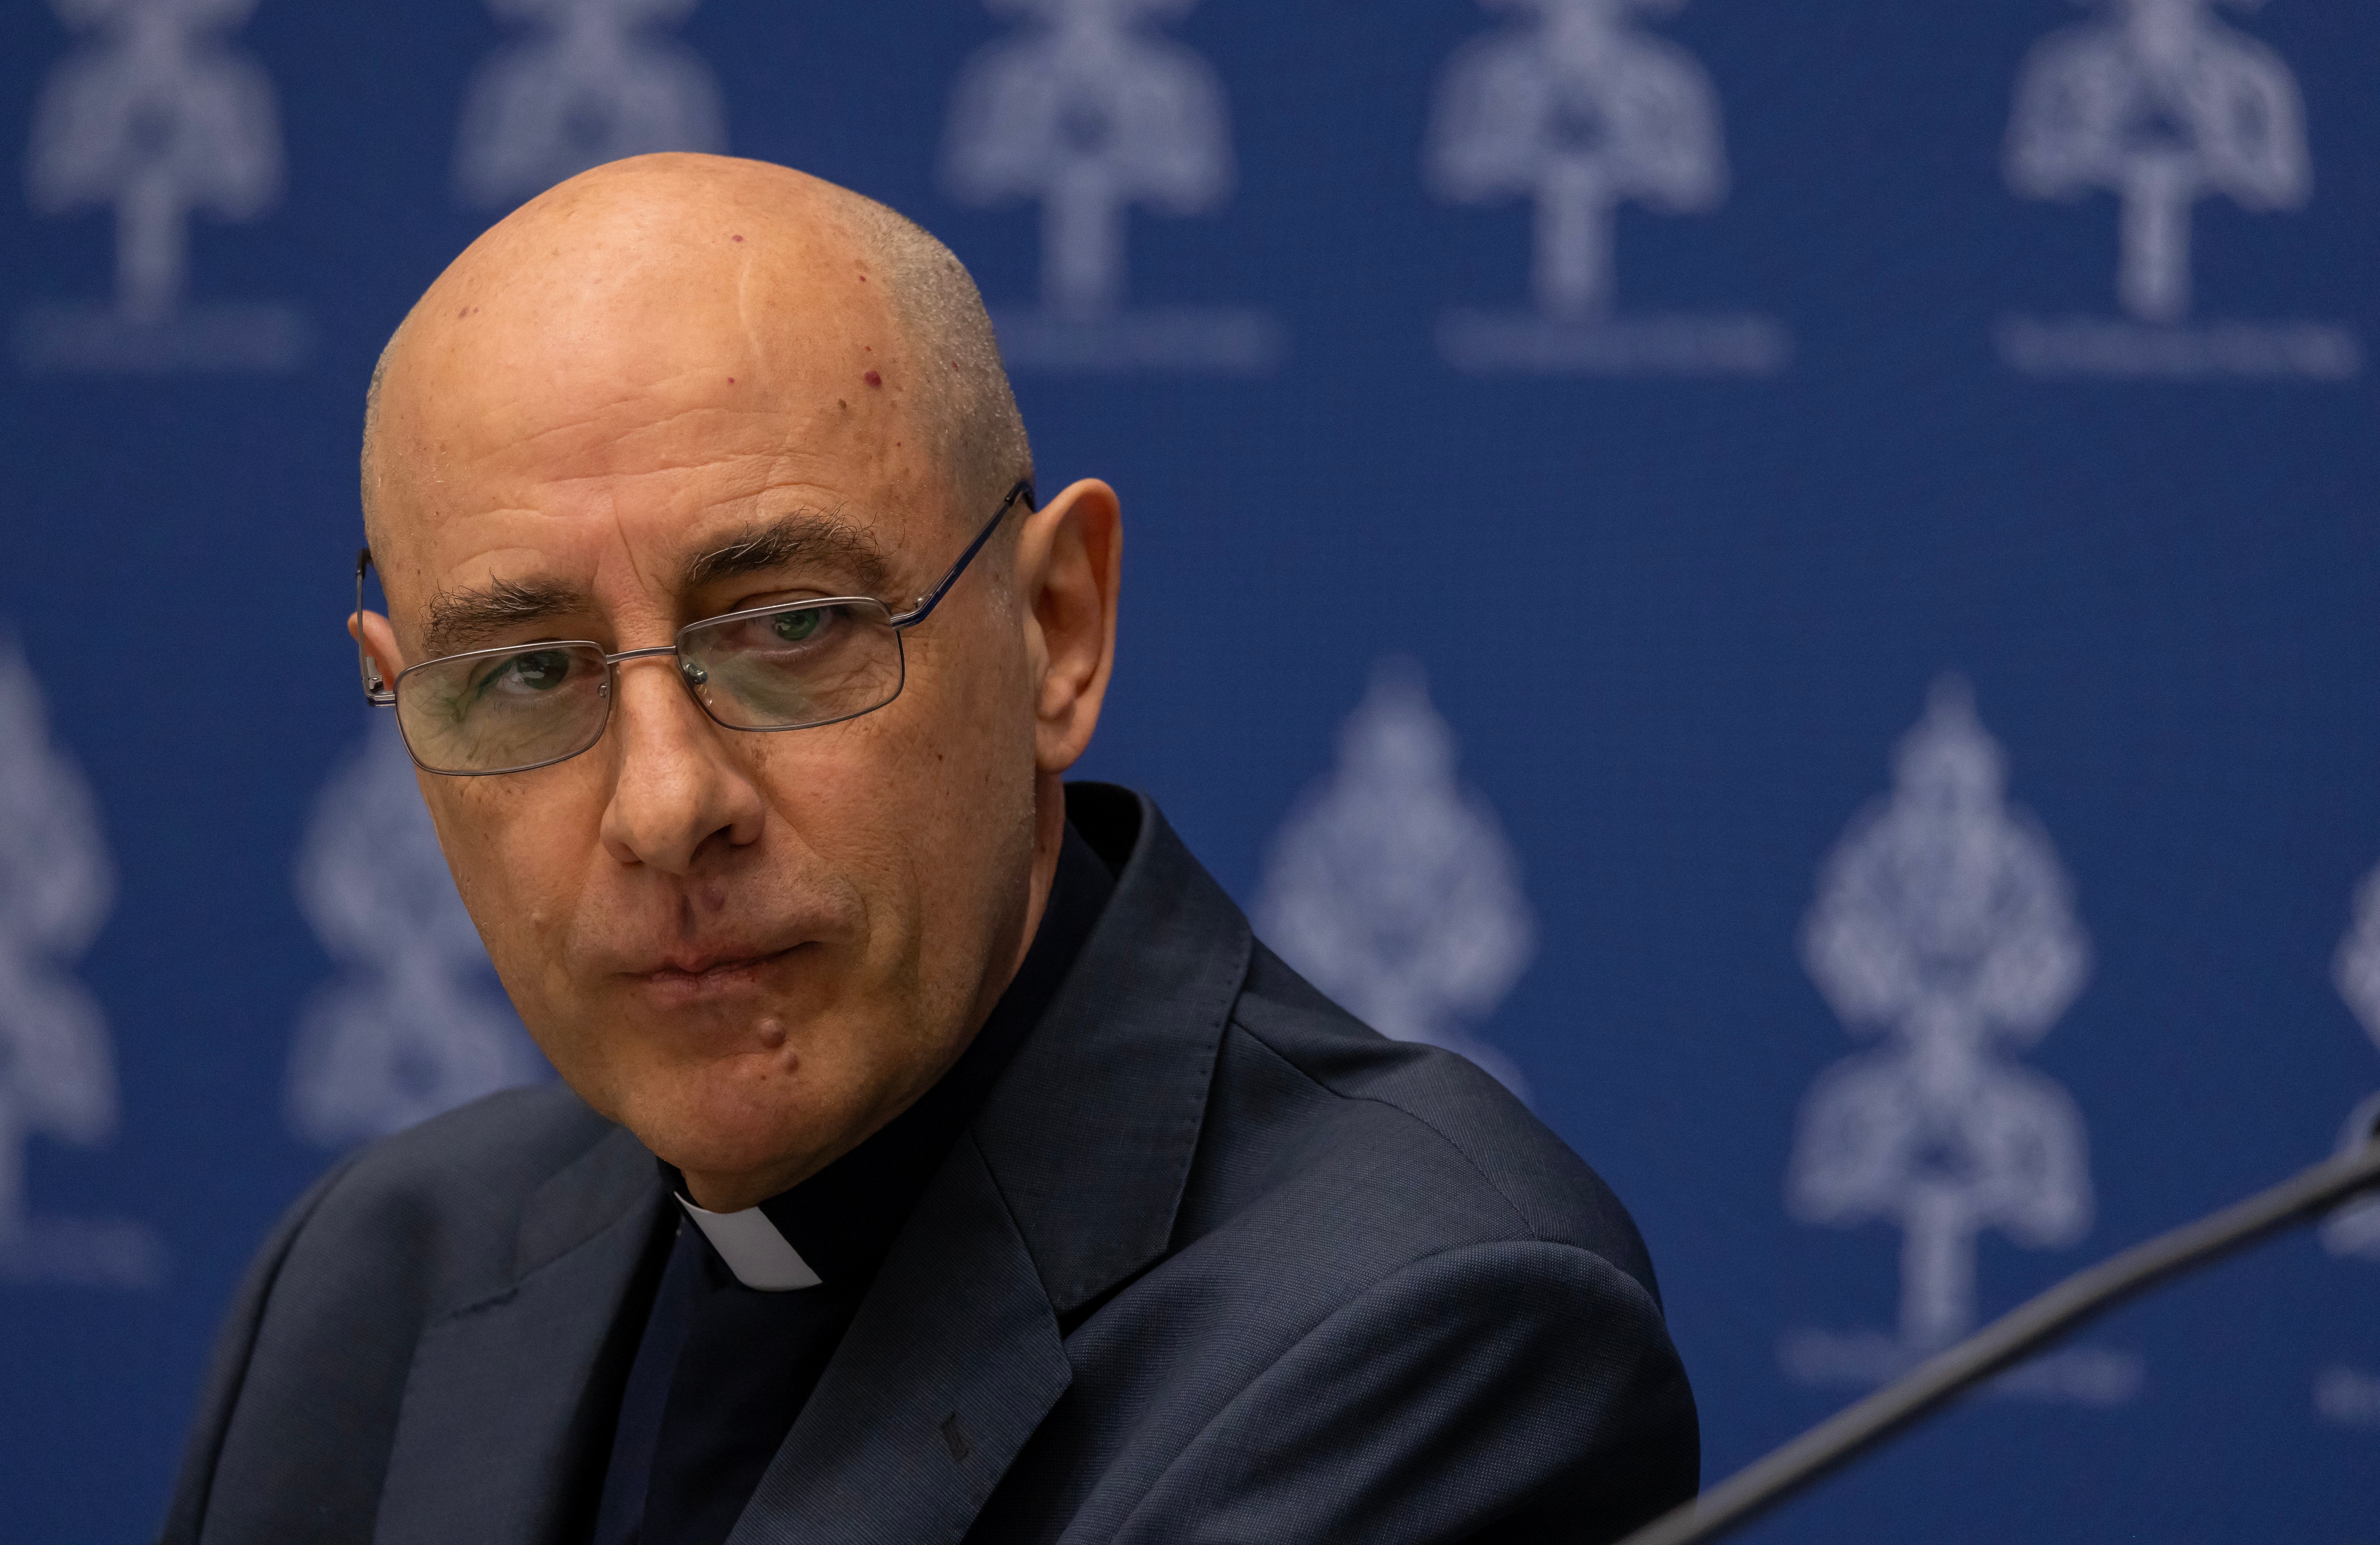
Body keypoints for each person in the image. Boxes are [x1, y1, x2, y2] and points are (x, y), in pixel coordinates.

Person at [160, 153, 1697, 1545]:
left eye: (791, 628)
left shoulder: (1419, 1331)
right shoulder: (368, 1277)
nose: (662, 806)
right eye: (526, 673)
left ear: (1055, 630)